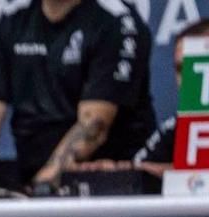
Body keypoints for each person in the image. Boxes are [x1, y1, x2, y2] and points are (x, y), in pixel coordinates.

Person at [0, 0, 155, 192]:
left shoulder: (116, 20)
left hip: (108, 183)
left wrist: (41, 189)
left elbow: (94, 124)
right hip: (32, 176)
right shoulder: (13, 17)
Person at [70, 19, 209, 187]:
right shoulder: (176, 127)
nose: (190, 78)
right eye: (181, 69)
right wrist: (117, 171)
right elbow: (140, 169)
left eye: (201, 65)